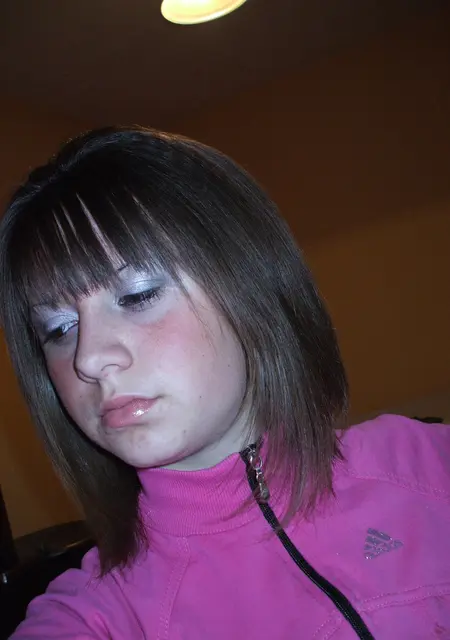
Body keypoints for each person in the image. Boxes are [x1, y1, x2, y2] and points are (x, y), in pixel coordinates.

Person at [0, 126, 449, 640]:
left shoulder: (428, 465)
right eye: (59, 329)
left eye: (138, 294)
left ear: (248, 283)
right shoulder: (96, 616)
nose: (89, 358)